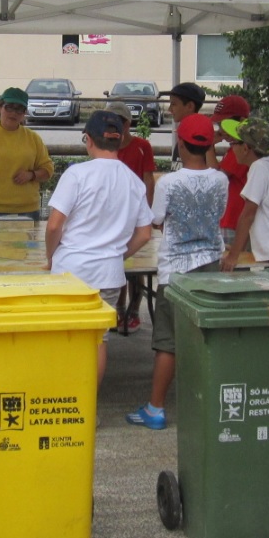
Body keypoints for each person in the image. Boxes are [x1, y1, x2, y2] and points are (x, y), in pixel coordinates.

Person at [126, 114, 227, 430]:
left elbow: (156, 219)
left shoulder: (168, 183)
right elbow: (220, 213)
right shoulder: (221, 180)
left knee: (168, 343)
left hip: (176, 271)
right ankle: (205, 404)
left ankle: (155, 408)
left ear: (180, 144)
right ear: (209, 145)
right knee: (205, 337)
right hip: (211, 266)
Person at [46, 110, 153, 387]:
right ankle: (88, 401)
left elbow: (54, 225)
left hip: (71, 270)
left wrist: (51, 255)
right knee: (98, 338)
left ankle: (66, 397)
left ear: (89, 140)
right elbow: (144, 234)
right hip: (109, 273)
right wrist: (118, 255)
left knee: (66, 335)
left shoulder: (76, 174)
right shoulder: (133, 181)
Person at [0, 87, 54, 222]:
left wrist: (31, 175)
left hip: (27, 210)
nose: (14, 113)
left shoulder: (33, 138)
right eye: (9, 107)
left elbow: (48, 170)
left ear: (24, 113)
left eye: (19, 109)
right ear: (0, 108)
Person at [105, 101, 156, 335]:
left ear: (128, 123)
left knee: (136, 266)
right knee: (116, 263)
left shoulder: (142, 146)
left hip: (135, 215)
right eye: (111, 120)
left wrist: (147, 212)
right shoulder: (106, 146)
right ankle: (118, 308)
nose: (116, 125)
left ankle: (134, 311)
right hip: (112, 217)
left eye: (120, 121)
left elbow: (148, 179)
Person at [219, 118, 269, 275]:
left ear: (245, 148)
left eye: (233, 144)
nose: (232, 149)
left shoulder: (258, 168)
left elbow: (248, 215)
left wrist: (233, 256)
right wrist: (239, 248)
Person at [208, 95, 252, 247]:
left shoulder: (241, 149)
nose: (221, 129)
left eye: (224, 123)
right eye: (219, 124)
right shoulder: (235, 148)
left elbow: (216, 176)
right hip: (230, 219)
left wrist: (208, 146)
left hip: (234, 220)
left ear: (241, 121)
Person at [166, 82, 206, 171]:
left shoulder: (200, 138)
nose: (169, 109)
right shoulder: (183, 134)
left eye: (173, 104)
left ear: (190, 106)